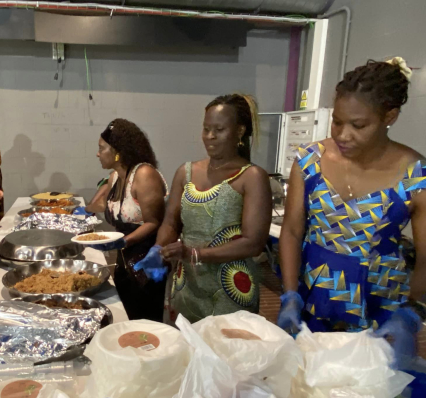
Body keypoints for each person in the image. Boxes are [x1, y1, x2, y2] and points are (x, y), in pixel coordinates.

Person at [277, 58, 426, 366]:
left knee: (366, 390)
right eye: (337, 121)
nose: (343, 135)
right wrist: (290, 294)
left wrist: (412, 312)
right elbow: (292, 231)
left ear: (390, 117)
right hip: (314, 292)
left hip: (379, 301)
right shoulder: (310, 161)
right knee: (307, 382)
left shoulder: (416, 175)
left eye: (358, 125)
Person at [135, 94, 272, 324]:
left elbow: (253, 242)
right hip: (187, 286)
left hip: (231, 291)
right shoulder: (186, 172)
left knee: (222, 354)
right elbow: (171, 223)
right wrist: (158, 249)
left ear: (239, 131)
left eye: (219, 129)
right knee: (186, 351)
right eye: (206, 128)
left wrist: (195, 254)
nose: (209, 136)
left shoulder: (252, 177)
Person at [87, 119, 168, 322]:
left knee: (146, 318)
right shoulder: (115, 177)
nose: (97, 154)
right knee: (127, 313)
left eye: (101, 148)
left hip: (147, 262)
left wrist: (124, 241)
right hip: (124, 259)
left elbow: (154, 221)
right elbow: (95, 204)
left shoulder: (144, 174)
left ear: (117, 151)